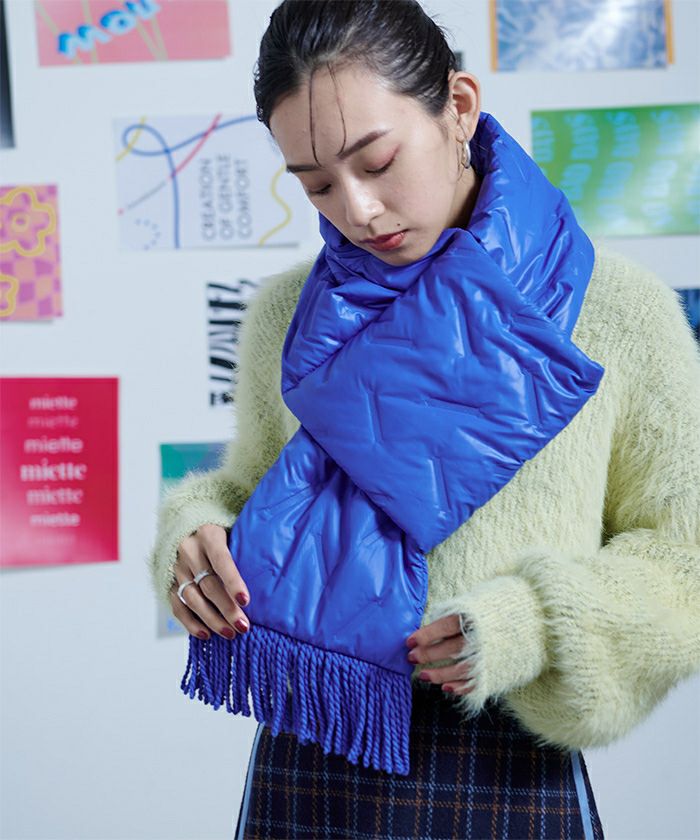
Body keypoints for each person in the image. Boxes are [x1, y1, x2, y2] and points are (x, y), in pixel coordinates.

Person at [148, 1, 700, 838]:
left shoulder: (618, 313)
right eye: (317, 184)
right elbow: (248, 490)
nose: (358, 210)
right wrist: (194, 534)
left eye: (377, 161)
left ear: (460, 108)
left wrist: (533, 622)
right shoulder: (287, 314)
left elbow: (685, 562)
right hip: (316, 733)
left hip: (505, 759)